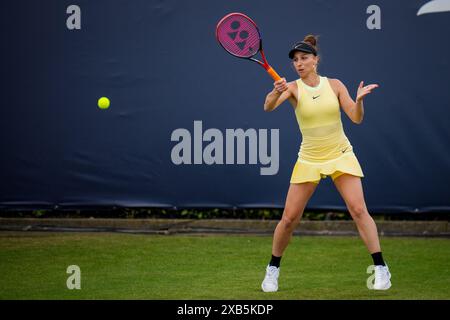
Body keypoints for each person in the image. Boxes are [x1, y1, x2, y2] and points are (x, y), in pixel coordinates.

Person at [261, 35, 391, 292]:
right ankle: (272, 270)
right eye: (295, 60)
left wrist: (360, 100)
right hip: (309, 158)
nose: (299, 64)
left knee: (358, 210)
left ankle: (380, 268)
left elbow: (355, 118)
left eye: (304, 58)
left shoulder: (335, 85)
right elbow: (267, 107)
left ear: (315, 60)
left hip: (340, 153)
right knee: (288, 219)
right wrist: (274, 92)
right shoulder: (293, 89)